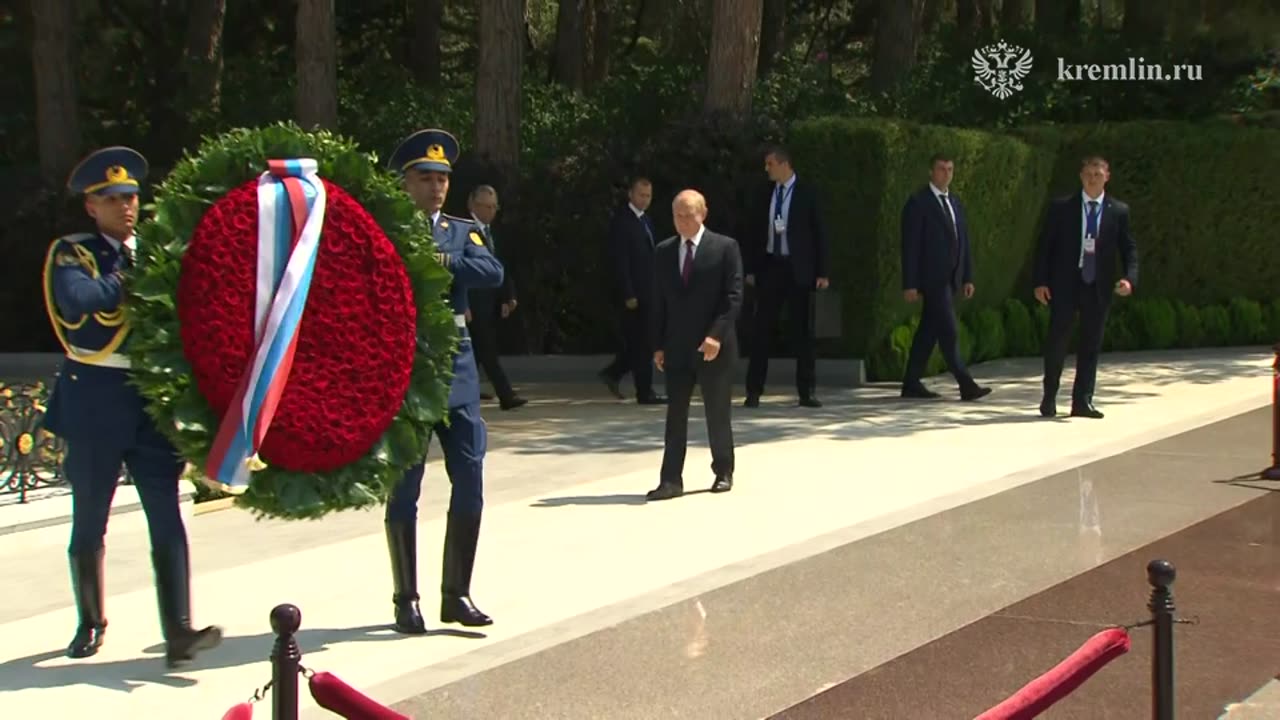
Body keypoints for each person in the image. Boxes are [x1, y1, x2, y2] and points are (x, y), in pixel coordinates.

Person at [41, 146, 222, 667]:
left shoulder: (160, 251)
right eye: (114, 198)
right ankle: (90, 620)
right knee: (90, 520)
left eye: (132, 197)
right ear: (91, 207)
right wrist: (132, 276)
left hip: (148, 401)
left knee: (166, 517)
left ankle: (179, 629)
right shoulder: (73, 253)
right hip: (95, 399)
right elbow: (78, 300)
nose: (127, 207)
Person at [383, 129, 505, 633]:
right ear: (405, 183)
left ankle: (456, 593)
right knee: (404, 489)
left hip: (455, 365)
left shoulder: (461, 231)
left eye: (442, 179)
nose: (435, 187)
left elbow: (492, 272)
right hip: (407, 369)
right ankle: (404, 598)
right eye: (425, 178)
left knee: (471, 482)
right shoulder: (387, 230)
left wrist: (444, 261)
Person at [647, 190, 743, 501]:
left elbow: (733, 297)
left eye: (689, 215)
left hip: (714, 345)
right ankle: (671, 479)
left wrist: (716, 335)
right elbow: (658, 302)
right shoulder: (663, 251)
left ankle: (723, 470)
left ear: (703, 214)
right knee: (675, 415)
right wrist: (658, 344)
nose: (684, 221)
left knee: (717, 412)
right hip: (676, 346)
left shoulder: (724, 248)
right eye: (678, 215)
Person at [1033, 155, 1138, 419]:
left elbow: (1129, 249)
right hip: (1066, 283)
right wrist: (1040, 281)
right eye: (1089, 174)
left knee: (1090, 344)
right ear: (1081, 176)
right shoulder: (1062, 208)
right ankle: (1049, 395)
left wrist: (1129, 278)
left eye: (1098, 174)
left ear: (1107, 177)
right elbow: (1046, 246)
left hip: (1097, 285)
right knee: (1058, 341)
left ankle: (1082, 401)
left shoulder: (1118, 211)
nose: (1093, 179)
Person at [899, 153, 992, 401]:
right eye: (941, 169)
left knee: (928, 332)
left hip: (951, 278)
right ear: (931, 172)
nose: (946, 174)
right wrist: (910, 283)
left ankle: (910, 383)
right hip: (932, 279)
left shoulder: (955, 203)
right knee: (949, 331)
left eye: (950, 169)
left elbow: (963, 242)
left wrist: (967, 276)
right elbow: (910, 246)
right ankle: (965, 384)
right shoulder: (918, 203)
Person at [743, 145, 829, 409]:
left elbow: (819, 233)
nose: (766, 169)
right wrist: (751, 268)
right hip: (772, 266)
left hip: (798, 268)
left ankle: (806, 391)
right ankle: (754, 390)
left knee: (802, 331)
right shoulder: (764, 193)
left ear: (784, 164)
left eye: (770, 164)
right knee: (762, 329)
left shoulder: (807, 193)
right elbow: (753, 231)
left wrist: (822, 272)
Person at [600, 176, 666, 404]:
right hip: (634, 294)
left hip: (648, 290)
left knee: (643, 343)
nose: (645, 199)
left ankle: (614, 373)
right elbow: (621, 261)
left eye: (648, 196)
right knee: (642, 343)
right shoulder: (622, 221)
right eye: (641, 195)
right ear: (630, 194)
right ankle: (644, 391)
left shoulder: (645, 220)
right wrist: (628, 293)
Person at [466, 185, 526, 410]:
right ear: (472, 205)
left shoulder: (491, 232)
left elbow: (500, 266)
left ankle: (467, 389)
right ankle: (506, 395)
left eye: (494, 207)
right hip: (473, 302)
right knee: (487, 349)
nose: (491, 211)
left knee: (477, 351)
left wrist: (508, 296)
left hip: (489, 301)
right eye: (486, 206)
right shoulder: (465, 231)